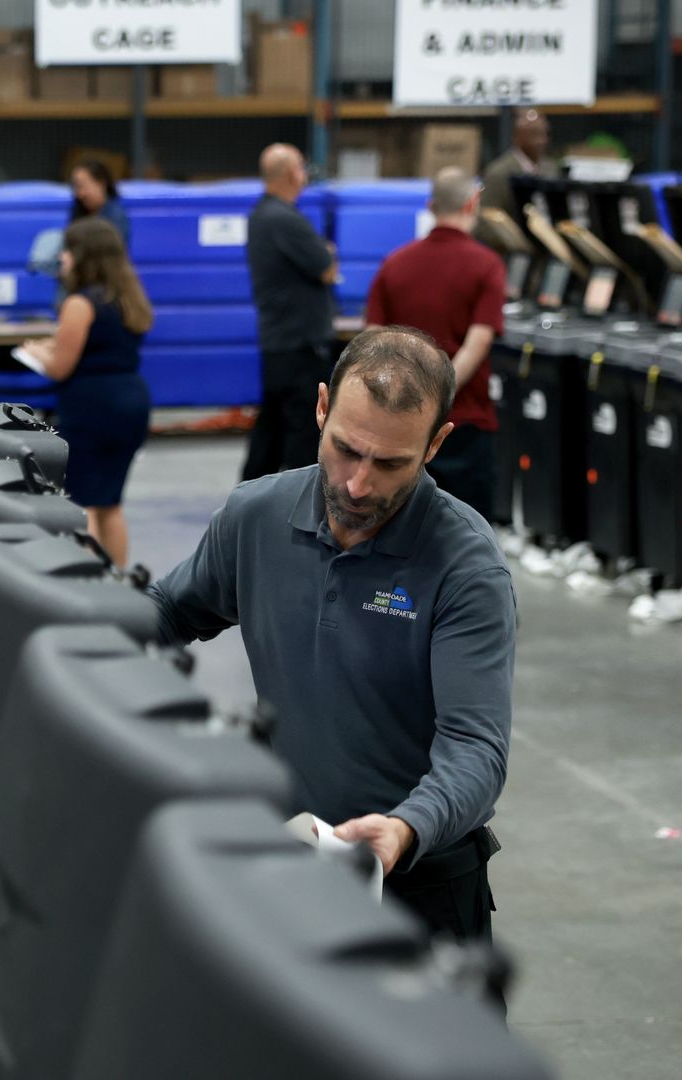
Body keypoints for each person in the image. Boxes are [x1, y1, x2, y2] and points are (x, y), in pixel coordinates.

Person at [147, 326, 515, 975]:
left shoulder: (464, 566)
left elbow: (476, 748)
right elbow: (166, 613)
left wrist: (404, 828)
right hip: (294, 870)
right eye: (345, 449)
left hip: (420, 887)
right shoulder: (255, 518)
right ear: (321, 408)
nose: (358, 485)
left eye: (391, 463)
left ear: (436, 445)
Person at [364, 167, 507, 519]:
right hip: (465, 424)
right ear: (473, 203)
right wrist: (438, 395)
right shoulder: (487, 266)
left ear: (430, 206)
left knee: (402, 532)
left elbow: (371, 342)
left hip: (399, 426)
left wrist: (406, 398)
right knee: (466, 538)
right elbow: (477, 344)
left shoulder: (393, 264)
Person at [20, 218, 153, 565]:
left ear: (83, 255)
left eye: (67, 250)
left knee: (81, 502)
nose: (62, 257)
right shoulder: (128, 297)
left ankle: (85, 582)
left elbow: (60, 367)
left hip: (93, 407)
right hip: (131, 402)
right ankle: (119, 583)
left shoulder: (79, 303)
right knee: (110, 503)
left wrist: (36, 353)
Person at [243, 143, 338, 482]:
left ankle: (250, 497)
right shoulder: (285, 218)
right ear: (291, 174)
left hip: (279, 342)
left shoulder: (262, 216)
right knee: (301, 433)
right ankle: (299, 508)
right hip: (299, 345)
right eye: (301, 167)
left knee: (270, 431)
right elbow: (326, 266)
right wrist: (326, 253)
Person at [479, 109, 559, 228]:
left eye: (545, 134)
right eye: (534, 134)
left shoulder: (551, 168)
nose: (541, 141)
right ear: (516, 137)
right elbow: (485, 221)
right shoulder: (499, 173)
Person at [68, 159, 131, 248]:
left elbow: (111, 253)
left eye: (82, 186)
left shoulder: (115, 216)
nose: (80, 194)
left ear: (101, 184)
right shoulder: (78, 209)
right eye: (76, 188)